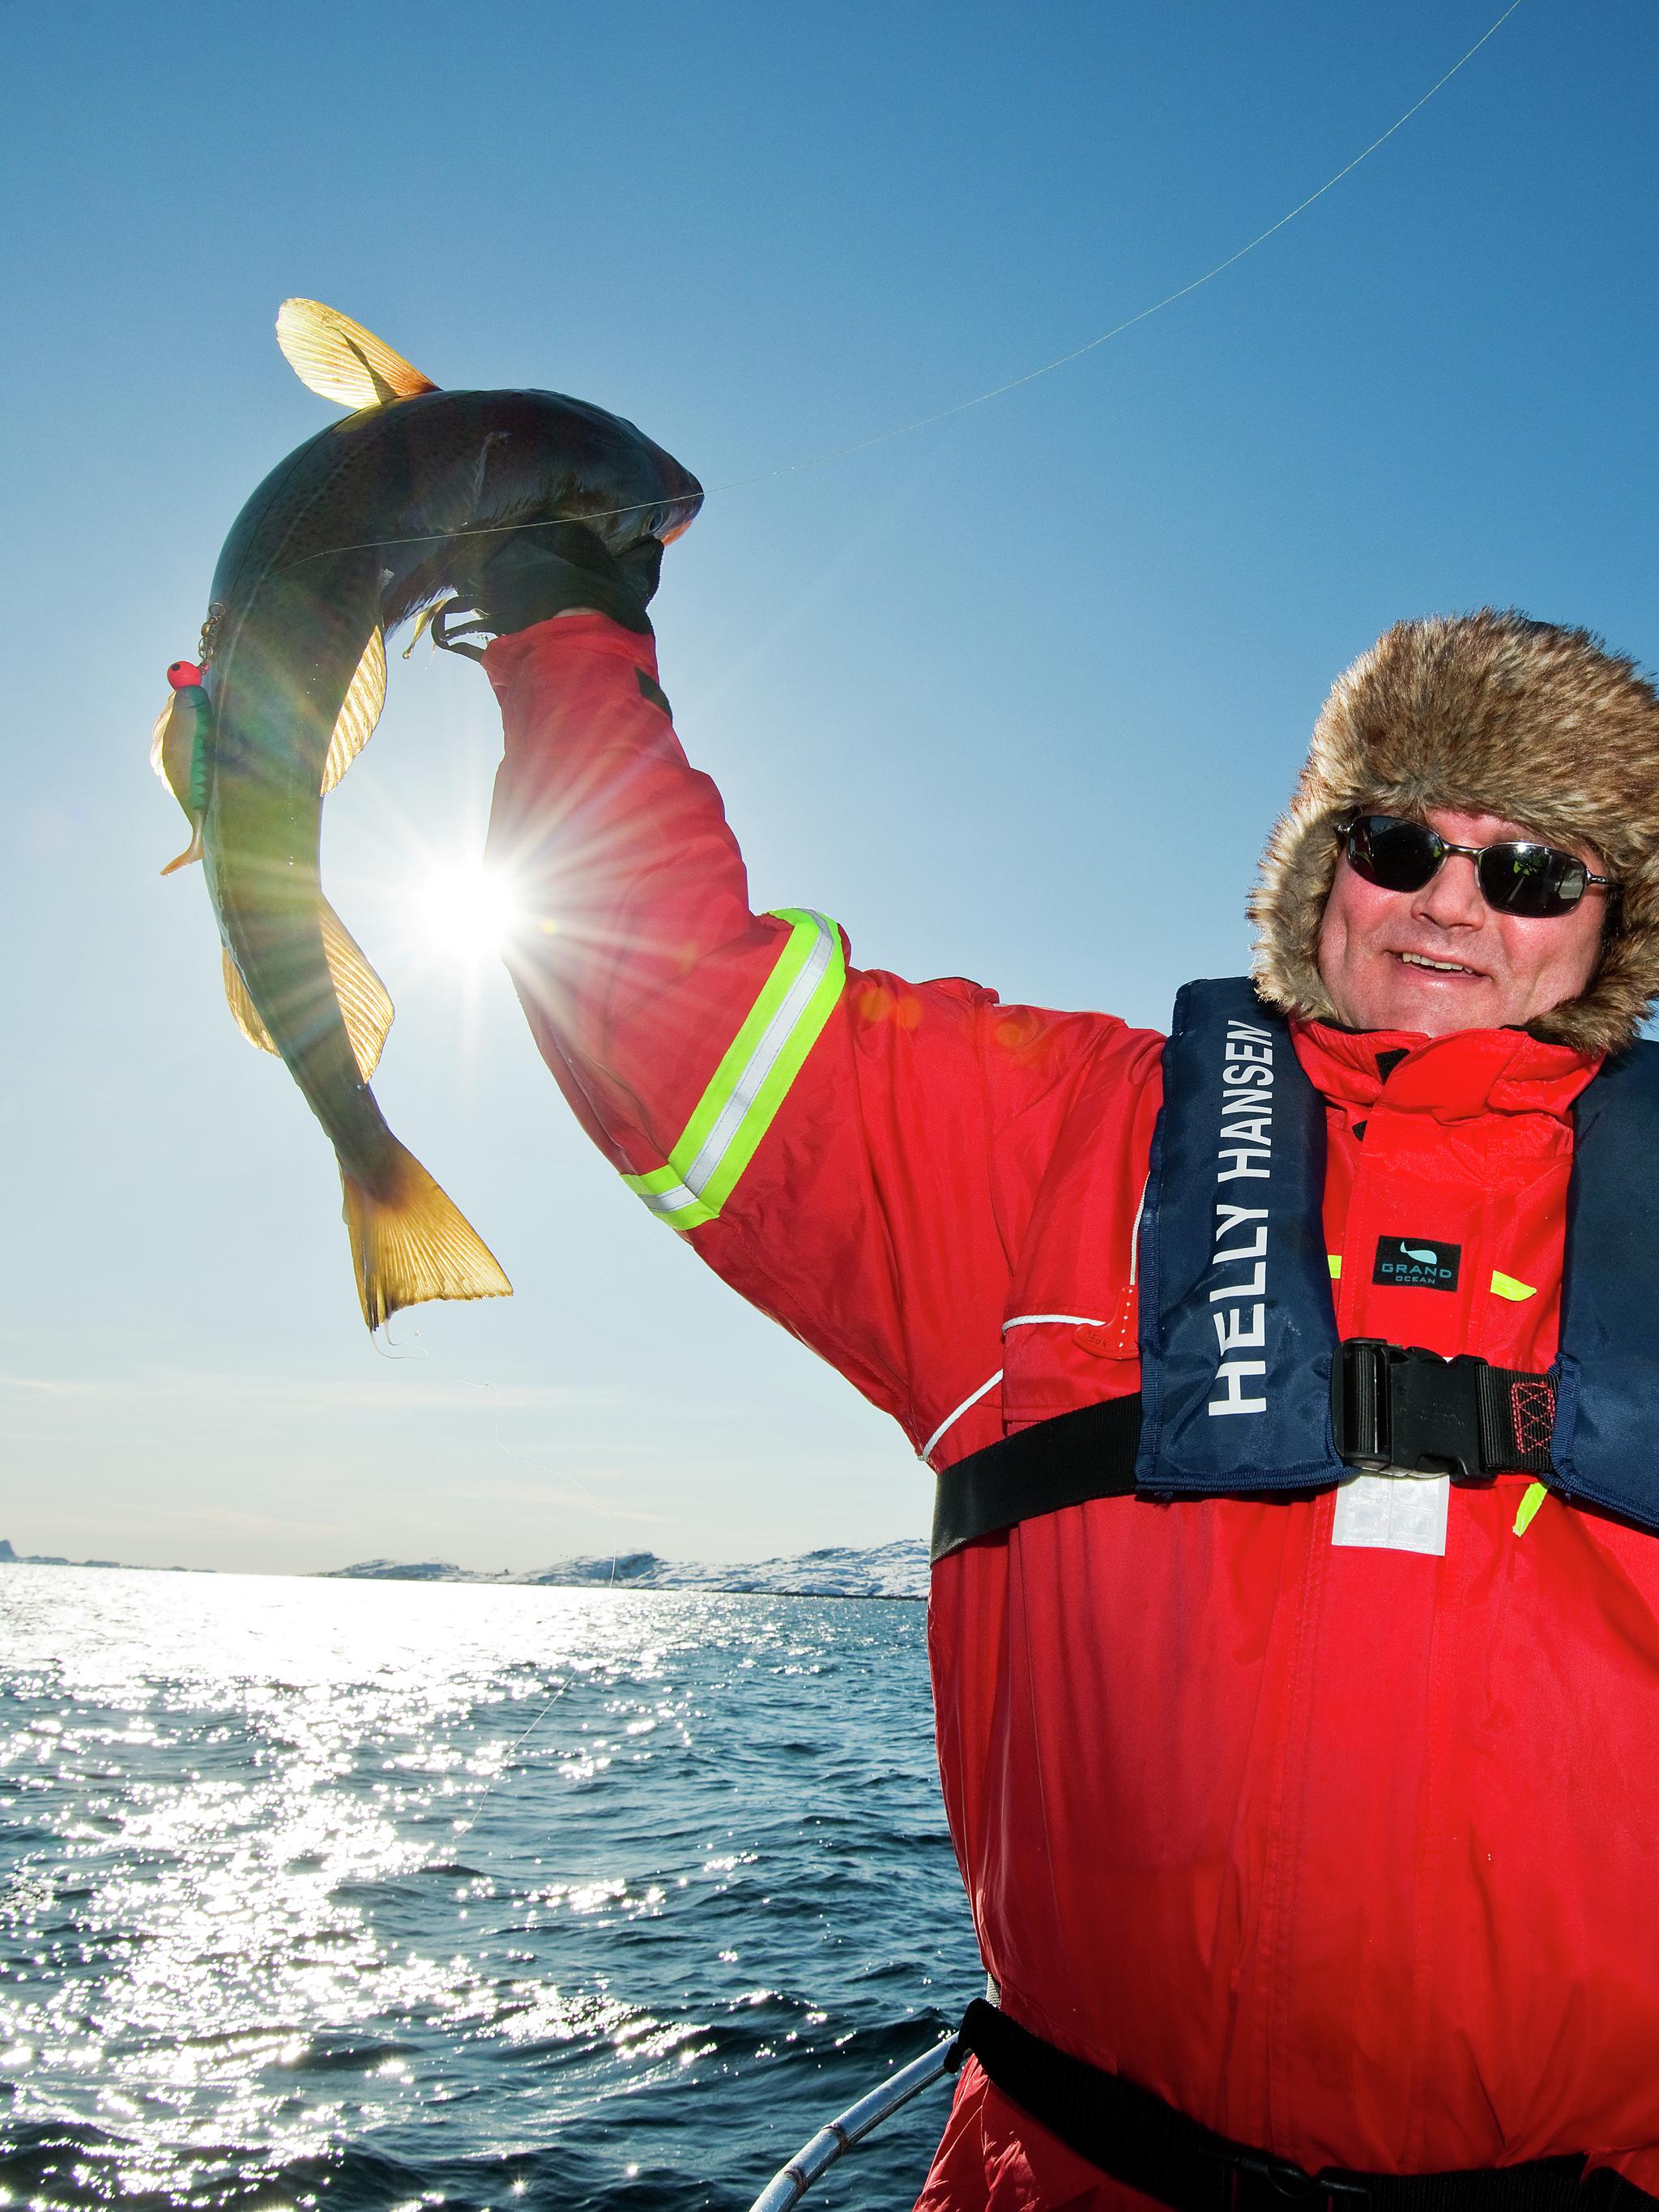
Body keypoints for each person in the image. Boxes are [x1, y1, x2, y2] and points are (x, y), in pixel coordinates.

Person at [449, 512, 1659, 2210]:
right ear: (1321, 870)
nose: (1451, 902)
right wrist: (564, 621)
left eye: (1530, 870)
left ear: (1610, 924)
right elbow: (662, 1004)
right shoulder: (1059, 1144)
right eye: (1398, 843)